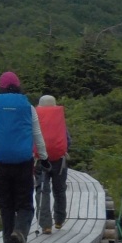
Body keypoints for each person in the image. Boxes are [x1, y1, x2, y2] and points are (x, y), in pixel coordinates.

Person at [0, 71, 49, 243]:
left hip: (0, 164)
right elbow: (37, 136)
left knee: (6, 207)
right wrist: (44, 158)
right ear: (18, 87)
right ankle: (20, 231)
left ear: (0, 88)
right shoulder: (28, 108)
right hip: (23, 163)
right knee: (25, 205)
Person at [33, 95, 71, 234]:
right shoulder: (59, 119)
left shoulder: (36, 118)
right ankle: (59, 220)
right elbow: (68, 140)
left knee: (43, 190)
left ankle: (46, 225)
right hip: (59, 160)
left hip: (40, 160)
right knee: (59, 190)